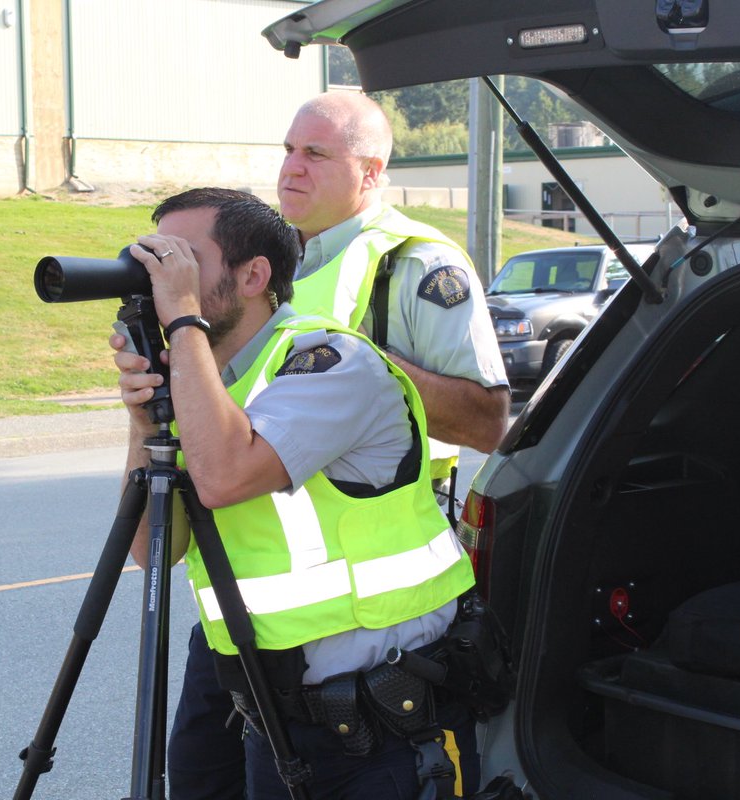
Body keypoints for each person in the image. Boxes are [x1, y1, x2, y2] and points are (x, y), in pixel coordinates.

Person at [157, 93, 510, 799]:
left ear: (371, 172)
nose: (291, 168)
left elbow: (487, 422)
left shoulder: (414, 264)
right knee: (202, 774)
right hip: (251, 583)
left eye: (316, 154)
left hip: (367, 583)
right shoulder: (264, 257)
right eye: (287, 150)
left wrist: (357, 368)